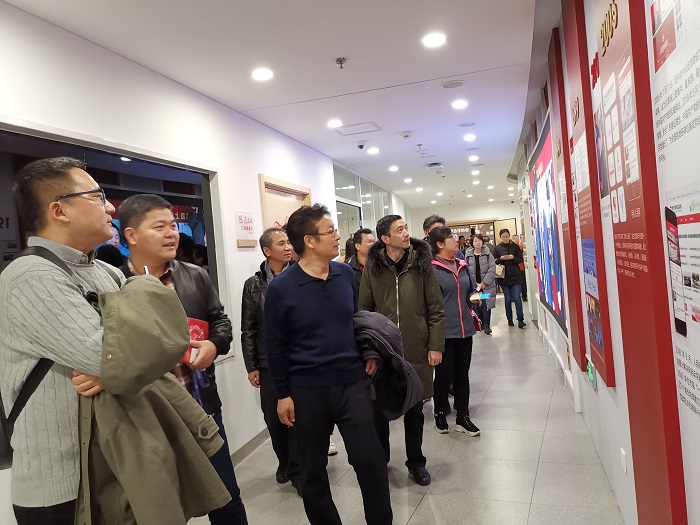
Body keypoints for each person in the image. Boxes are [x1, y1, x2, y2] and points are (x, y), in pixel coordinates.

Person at [0, 157, 126, 524]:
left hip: (112, 468)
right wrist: (120, 365)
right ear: (59, 210)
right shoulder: (31, 276)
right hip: (61, 486)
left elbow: (164, 340)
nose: (110, 208)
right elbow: (107, 356)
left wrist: (124, 364)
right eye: (98, 197)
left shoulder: (107, 272)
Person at [118, 194, 248, 525]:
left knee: (226, 497)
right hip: (147, 415)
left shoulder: (195, 276)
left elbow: (220, 321)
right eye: (159, 226)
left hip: (200, 405)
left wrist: (214, 346)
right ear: (131, 235)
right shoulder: (115, 285)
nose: (171, 233)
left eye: (173, 226)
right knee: (162, 508)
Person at [265, 204, 392, 525]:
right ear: (309, 240)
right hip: (306, 390)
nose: (338, 236)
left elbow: (355, 321)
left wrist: (370, 353)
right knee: (312, 471)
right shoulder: (281, 288)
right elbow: (275, 345)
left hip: (352, 383)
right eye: (330, 231)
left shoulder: (344, 274)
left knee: (370, 460)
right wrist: (283, 394)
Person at [359, 214, 445, 487]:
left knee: (415, 410)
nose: (407, 233)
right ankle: (381, 459)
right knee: (378, 409)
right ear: (385, 238)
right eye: (400, 230)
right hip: (383, 354)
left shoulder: (421, 265)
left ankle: (416, 462)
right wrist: (369, 352)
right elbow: (364, 313)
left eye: (406, 227)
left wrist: (435, 345)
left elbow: (436, 308)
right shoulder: (373, 268)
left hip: (416, 349)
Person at [241, 227, 301, 493]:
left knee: (299, 417)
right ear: (267, 251)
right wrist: (251, 365)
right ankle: (284, 462)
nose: (288, 247)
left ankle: (299, 468)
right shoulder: (253, 285)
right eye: (281, 243)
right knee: (273, 418)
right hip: (268, 363)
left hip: (299, 360)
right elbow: (248, 328)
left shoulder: (301, 276)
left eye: (288, 242)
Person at [428, 227, 481, 436]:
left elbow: (470, 292)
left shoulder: (462, 265)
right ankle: (440, 412)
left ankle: (463, 416)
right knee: (443, 375)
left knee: (462, 374)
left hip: (465, 329)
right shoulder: (431, 269)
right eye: (450, 237)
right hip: (444, 331)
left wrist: (475, 298)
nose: (456, 239)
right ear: (440, 244)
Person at [493, 228, 526, 328]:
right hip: (504, 277)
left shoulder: (515, 246)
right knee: (507, 299)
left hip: (516, 276)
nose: (505, 238)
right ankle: (509, 319)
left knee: (517, 298)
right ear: (500, 237)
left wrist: (513, 258)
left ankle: (520, 319)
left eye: (507, 236)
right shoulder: (497, 248)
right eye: (503, 237)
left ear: (509, 236)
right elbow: (494, 261)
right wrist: (501, 259)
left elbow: (520, 260)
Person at [465, 234, 497, 335]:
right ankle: (481, 323)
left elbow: (492, 269)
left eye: (479, 240)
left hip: (486, 286)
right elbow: (466, 271)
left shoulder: (488, 254)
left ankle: (487, 325)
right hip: (475, 286)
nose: (477, 243)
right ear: (472, 243)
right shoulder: (468, 256)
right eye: (475, 241)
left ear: (482, 242)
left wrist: (484, 283)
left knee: (486, 305)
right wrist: (474, 284)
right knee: (477, 304)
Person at [345, 228, 375, 298]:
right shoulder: (348, 266)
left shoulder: (380, 263)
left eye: (374, 241)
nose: (373, 244)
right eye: (369, 241)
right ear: (357, 246)